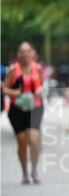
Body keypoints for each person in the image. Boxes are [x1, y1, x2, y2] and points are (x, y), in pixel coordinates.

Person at [3, 42, 45, 184]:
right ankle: (25, 172)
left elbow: (41, 85)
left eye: (28, 51)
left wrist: (39, 91)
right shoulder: (13, 70)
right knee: (22, 141)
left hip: (35, 108)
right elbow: (4, 89)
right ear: (18, 54)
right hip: (17, 109)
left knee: (33, 139)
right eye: (22, 51)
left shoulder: (37, 69)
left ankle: (34, 170)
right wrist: (15, 92)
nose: (25, 54)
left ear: (32, 53)